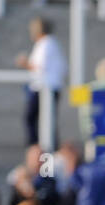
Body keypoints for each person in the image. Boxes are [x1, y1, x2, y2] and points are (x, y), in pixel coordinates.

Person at [16, 17, 65, 148]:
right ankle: (42, 150)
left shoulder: (47, 44)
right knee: (43, 120)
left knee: (35, 119)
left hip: (45, 88)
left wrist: (24, 63)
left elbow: (40, 67)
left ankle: (36, 149)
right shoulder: (49, 43)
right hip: (44, 87)